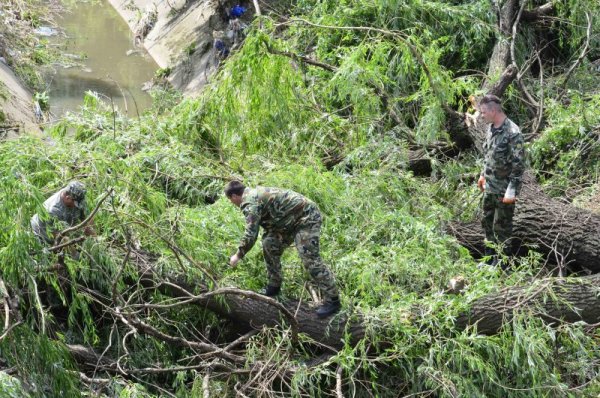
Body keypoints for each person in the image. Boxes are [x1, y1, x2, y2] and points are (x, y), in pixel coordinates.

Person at [225, 180, 341, 318]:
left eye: (230, 200)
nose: (233, 203)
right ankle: (274, 286)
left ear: (233, 196)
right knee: (269, 243)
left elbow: (251, 233)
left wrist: (238, 255)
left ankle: (333, 300)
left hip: (306, 217)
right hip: (287, 221)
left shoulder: (249, 202)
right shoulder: (253, 195)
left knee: (309, 258)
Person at [477, 94, 526, 268]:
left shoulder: (513, 132)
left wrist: (512, 190)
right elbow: (488, 154)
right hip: (490, 187)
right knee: (487, 223)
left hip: (504, 190)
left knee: (502, 228)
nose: (481, 116)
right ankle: (489, 260)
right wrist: (483, 174)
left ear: (493, 110)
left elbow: (519, 164)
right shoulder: (491, 128)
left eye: (483, 112)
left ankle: (502, 265)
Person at [31, 181, 93, 246]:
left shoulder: (77, 195)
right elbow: (59, 237)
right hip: (44, 234)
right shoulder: (53, 210)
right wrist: (74, 254)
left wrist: (95, 239)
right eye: (75, 204)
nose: (76, 206)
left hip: (65, 226)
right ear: (67, 198)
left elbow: (87, 220)